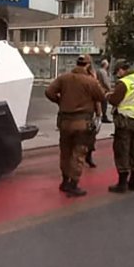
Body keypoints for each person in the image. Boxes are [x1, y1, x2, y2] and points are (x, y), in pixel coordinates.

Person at [45, 55, 105, 197]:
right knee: (78, 154)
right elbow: (101, 96)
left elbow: (49, 92)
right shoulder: (90, 81)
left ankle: (64, 181)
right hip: (82, 123)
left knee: (65, 152)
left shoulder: (64, 78)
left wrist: (60, 102)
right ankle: (73, 184)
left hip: (65, 122)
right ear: (88, 65)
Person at [107, 61, 134, 194]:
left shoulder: (124, 83)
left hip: (125, 121)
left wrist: (108, 95)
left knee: (122, 150)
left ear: (121, 70)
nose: (117, 76)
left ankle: (122, 183)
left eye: (117, 72)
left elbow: (114, 100)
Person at [85, 59, 110, 168]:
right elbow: (98, 97)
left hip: (74, 114)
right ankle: (87, 156)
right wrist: (99, 113)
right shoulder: (92, 79)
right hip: (88, 113)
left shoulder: (68, 78)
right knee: (90, 136)